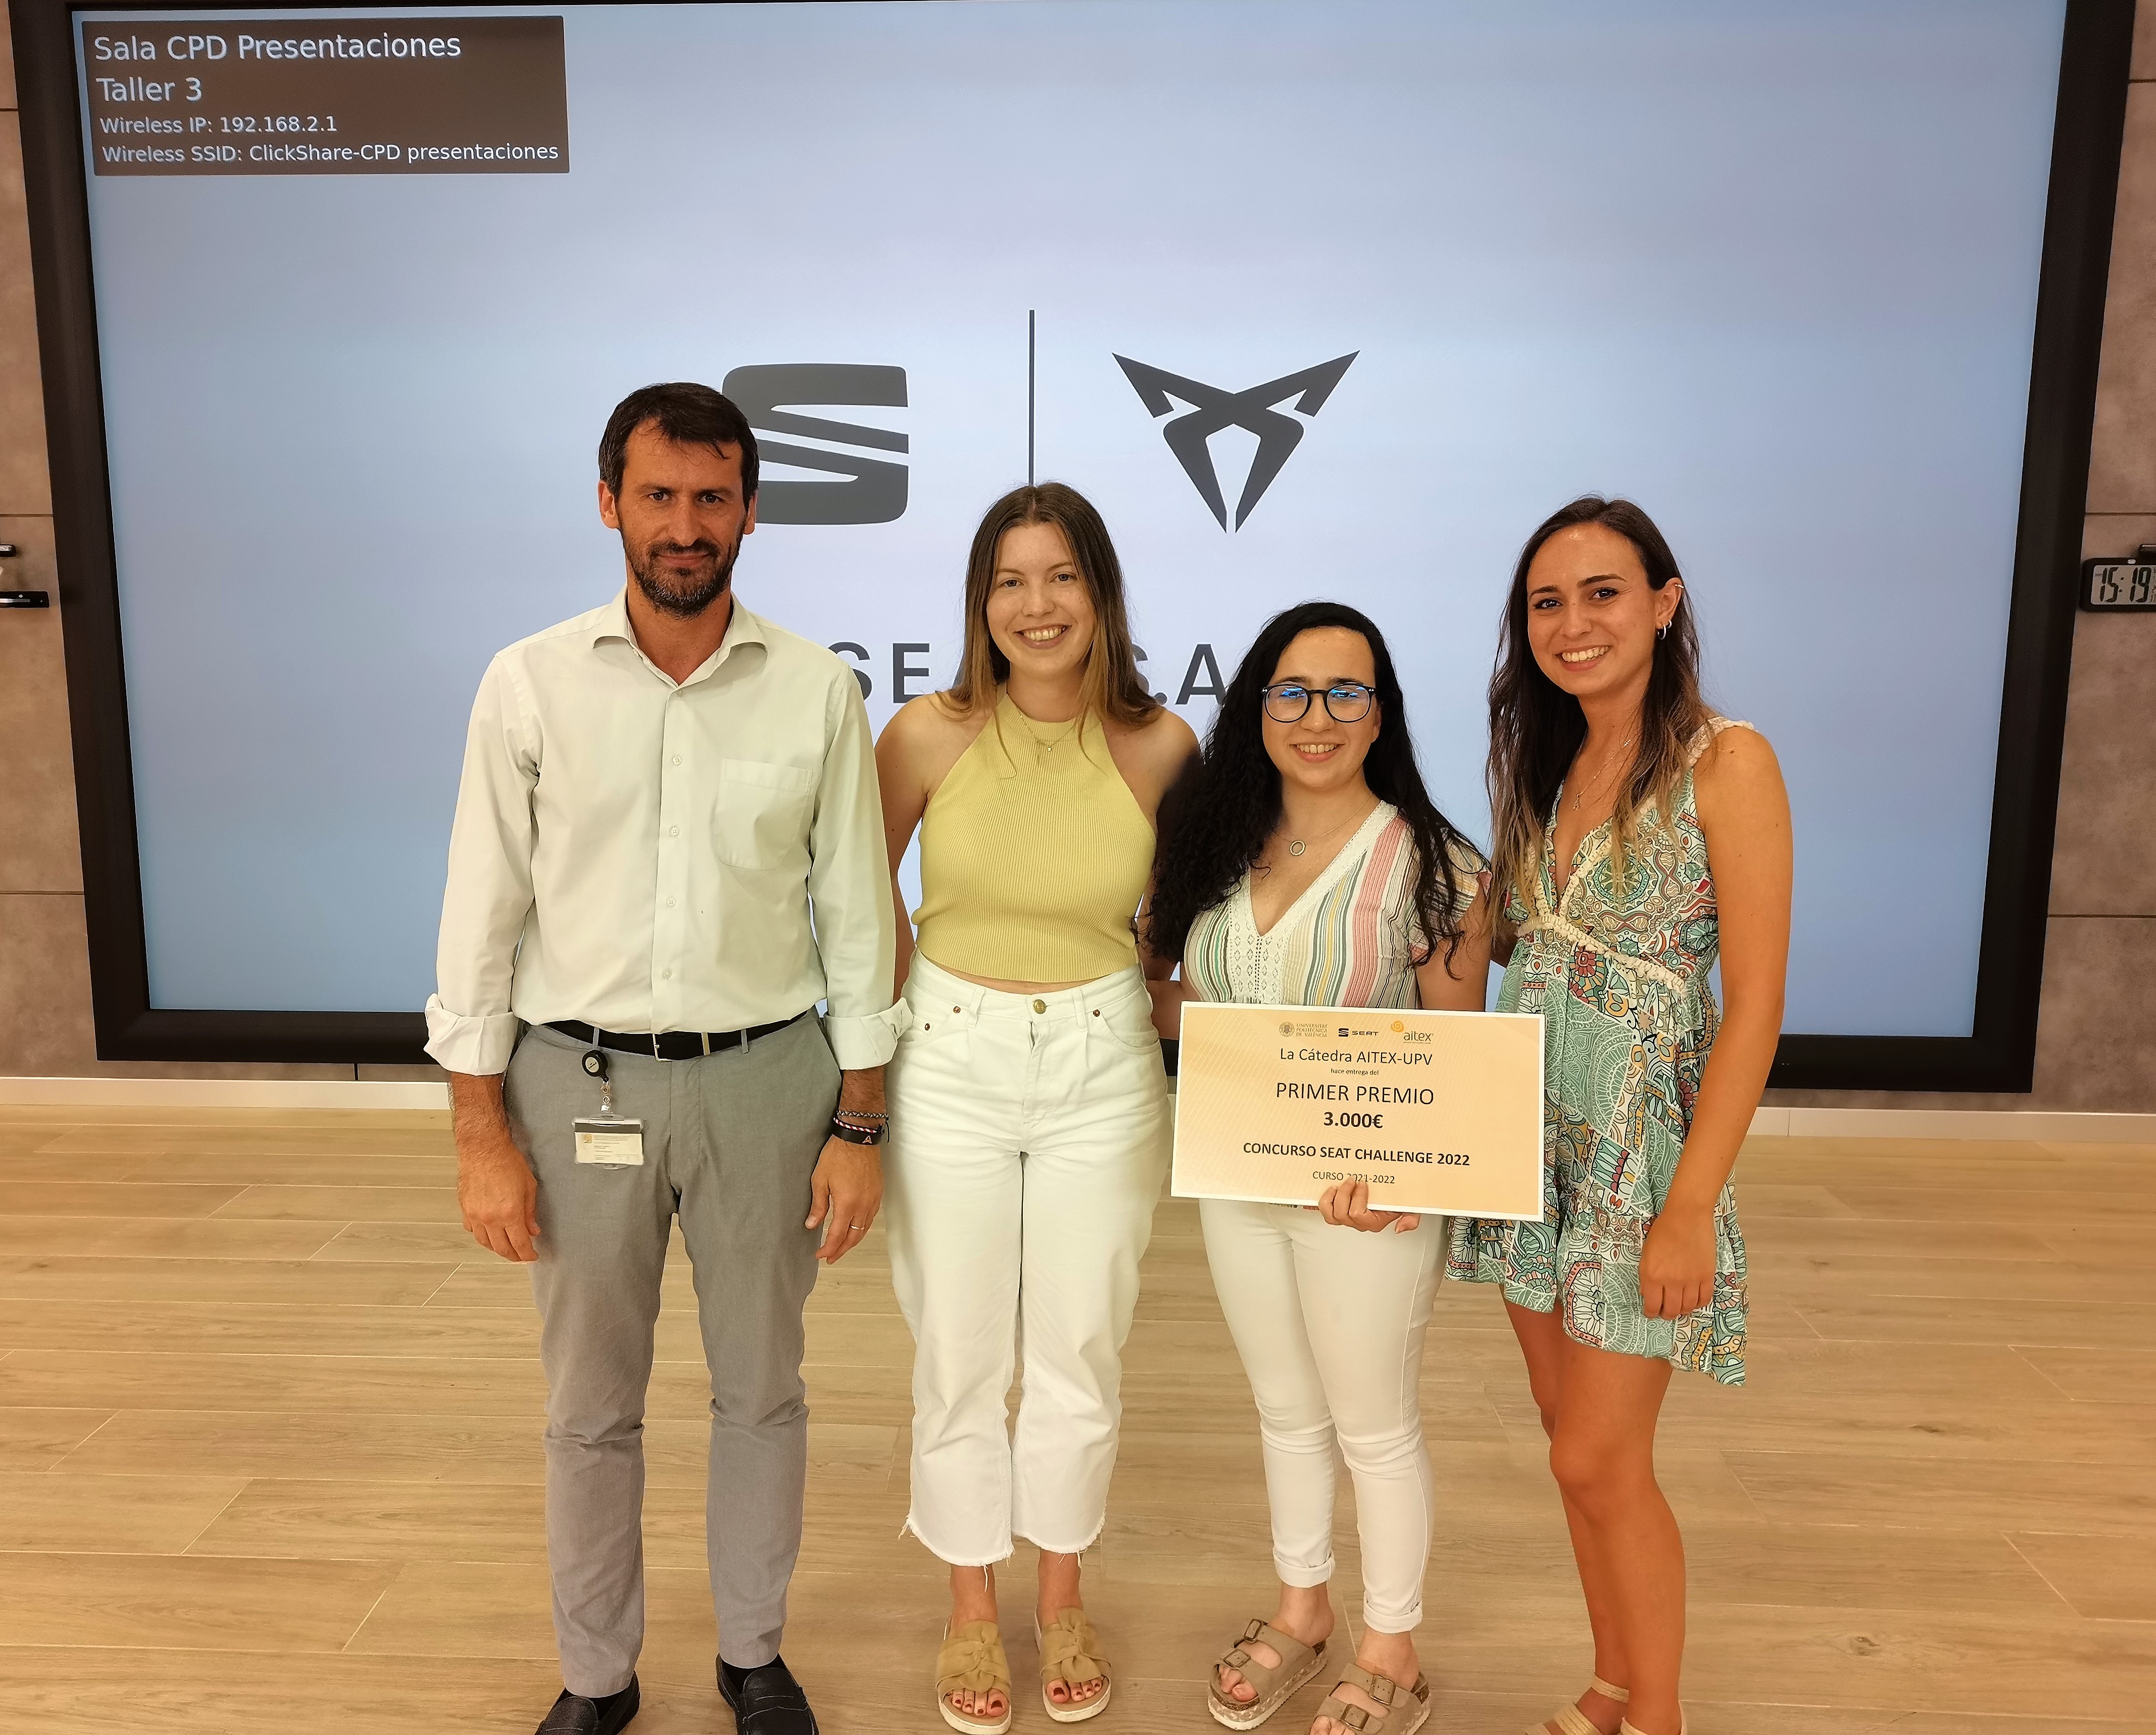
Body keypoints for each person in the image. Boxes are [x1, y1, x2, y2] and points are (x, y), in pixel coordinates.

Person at [426, 382, 905, 1735]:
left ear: (750, 512)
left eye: (711, 497)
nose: (684, 524)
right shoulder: (526, 682)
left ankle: (754, 1653)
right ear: (608, 504)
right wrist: (479, 1134)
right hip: (575, 1081)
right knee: (590, 1406)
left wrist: (860, 1123)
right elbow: (479, 918)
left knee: (763, 1389)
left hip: (770, 1083)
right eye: (658, 495)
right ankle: (597, 1674)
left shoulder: (817, 688)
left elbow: (858, 919)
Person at [1445, 498, 1792, 1735]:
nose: (1574, 623)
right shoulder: (1546, 764)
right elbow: (1501, 943)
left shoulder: (1727, 761)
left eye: (1602, 592)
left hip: (1641, 1152)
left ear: (1664, 600)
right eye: (1547, 602)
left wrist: (1689, 1205)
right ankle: (1612, 1681)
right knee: (1567, 1436)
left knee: (1600, 1454)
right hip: (1530, 1137)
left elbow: (1755, 1006)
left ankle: (1659, 1715)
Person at [874, 483, 1198, 1731]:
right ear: (981, 601)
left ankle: (1062, 1594)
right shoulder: (926, 733)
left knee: (1079, 1349)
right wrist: (905, 1020)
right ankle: (971, 1603)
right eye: (1010, 580)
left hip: (1103, 1066)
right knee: (957, 1351)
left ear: (1100, 591)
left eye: (1061, 576)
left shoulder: (1162, 746)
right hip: (949, 1059)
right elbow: (860, 894)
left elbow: (1180, 926)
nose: (1037, 604)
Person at [1144, 602, 1490, 1735]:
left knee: (1372, 1420)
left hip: (1364, 1205)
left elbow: (1453, 1056)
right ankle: (1304, 1611)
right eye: (1292, 691)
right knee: (1286, 1410)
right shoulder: (1209, 845)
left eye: (1348, 692)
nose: (1318, 716)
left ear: (1381, 714)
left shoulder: (1438, 868)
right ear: (1258, 708)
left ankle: (1393, 1647)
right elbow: (1182, 1005)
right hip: (1238, 1183)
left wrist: (1406, 1179)